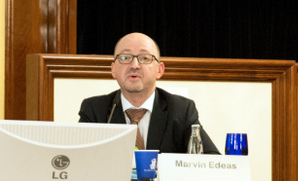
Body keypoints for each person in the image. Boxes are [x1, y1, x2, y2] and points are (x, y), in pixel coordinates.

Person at [78, 32, 220, 154]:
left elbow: (210, 159)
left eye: (145, 58)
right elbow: (77, 161)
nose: (134, 65)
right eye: (125, 58)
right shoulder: (94, 110)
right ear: (113, 69)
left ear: (160, 70)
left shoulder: (181, 110)